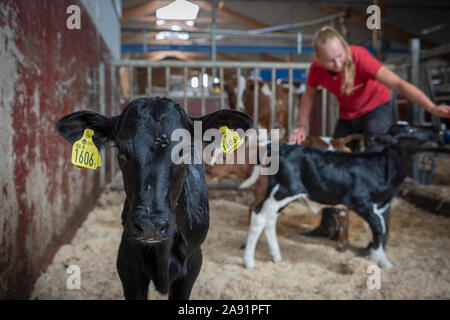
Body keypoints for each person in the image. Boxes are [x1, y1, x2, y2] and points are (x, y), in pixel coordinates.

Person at [289, 26, 450, 239]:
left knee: (378, 167)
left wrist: (431, 108)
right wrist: (301, 125)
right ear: (318, 59)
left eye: (339, 56)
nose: (337, 63)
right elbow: (308, 95)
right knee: (331, 165)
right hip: (348, 115)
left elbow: (398, 84)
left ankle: (379, 238)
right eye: (329, 60)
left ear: (345, 48)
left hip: (376, 110)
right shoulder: (316, 69)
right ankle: (328, 226)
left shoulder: (360, 58)